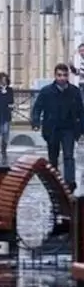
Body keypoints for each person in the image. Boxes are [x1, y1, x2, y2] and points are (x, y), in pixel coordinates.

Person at [31, 63, 84, 191]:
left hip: (69, 128)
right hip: (52, 128)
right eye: (59, 75)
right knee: (53, 157)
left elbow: (81, 111)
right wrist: (36, 122)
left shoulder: (74, 91)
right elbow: (37, 107)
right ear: (55, 76)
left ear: (68, 76)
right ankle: (54, 182)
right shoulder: (46, 91)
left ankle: (70, 183)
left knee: (68, 155)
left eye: (65, 75)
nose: (62, 78)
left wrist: (81, 129)